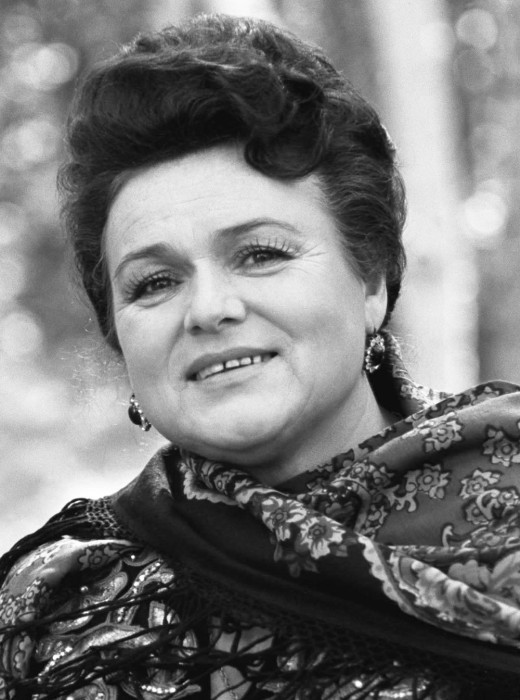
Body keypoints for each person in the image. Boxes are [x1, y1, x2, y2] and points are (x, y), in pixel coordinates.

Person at [1, 12, 520, 700]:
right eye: (154, 283)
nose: (208, 308)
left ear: (371, 282)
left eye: (260, 254)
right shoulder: (60, 608)